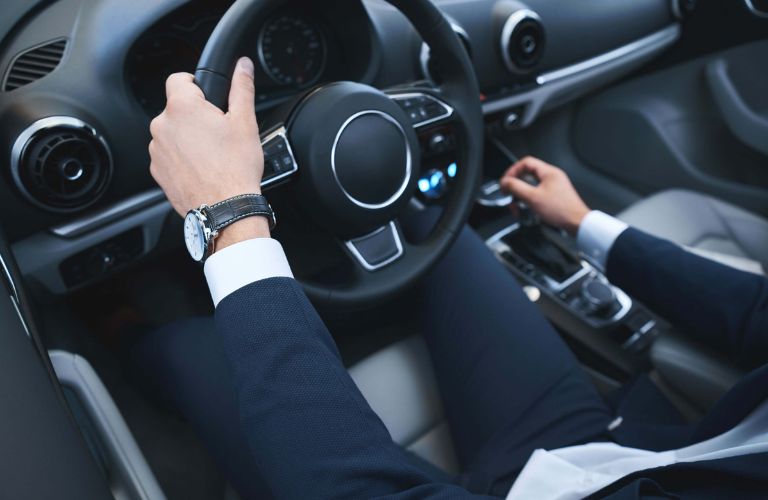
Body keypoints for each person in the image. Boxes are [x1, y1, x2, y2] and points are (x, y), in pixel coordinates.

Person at [141, 57, 768, 499]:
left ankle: (124, 328)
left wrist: (227, 213)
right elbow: (754, 312)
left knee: (184, 349)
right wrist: (584, 223)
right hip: (617, 457)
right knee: (432, 226)